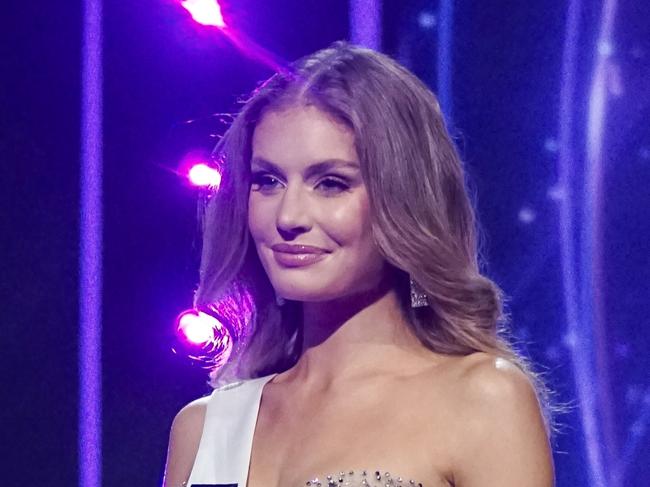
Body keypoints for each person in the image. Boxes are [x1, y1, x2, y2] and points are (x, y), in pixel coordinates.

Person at [163, 41, 554, 487]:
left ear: (403, 200)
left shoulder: (482, 400)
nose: (288, 217)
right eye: (267, 181)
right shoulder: (203, 428)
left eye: (331, 183)